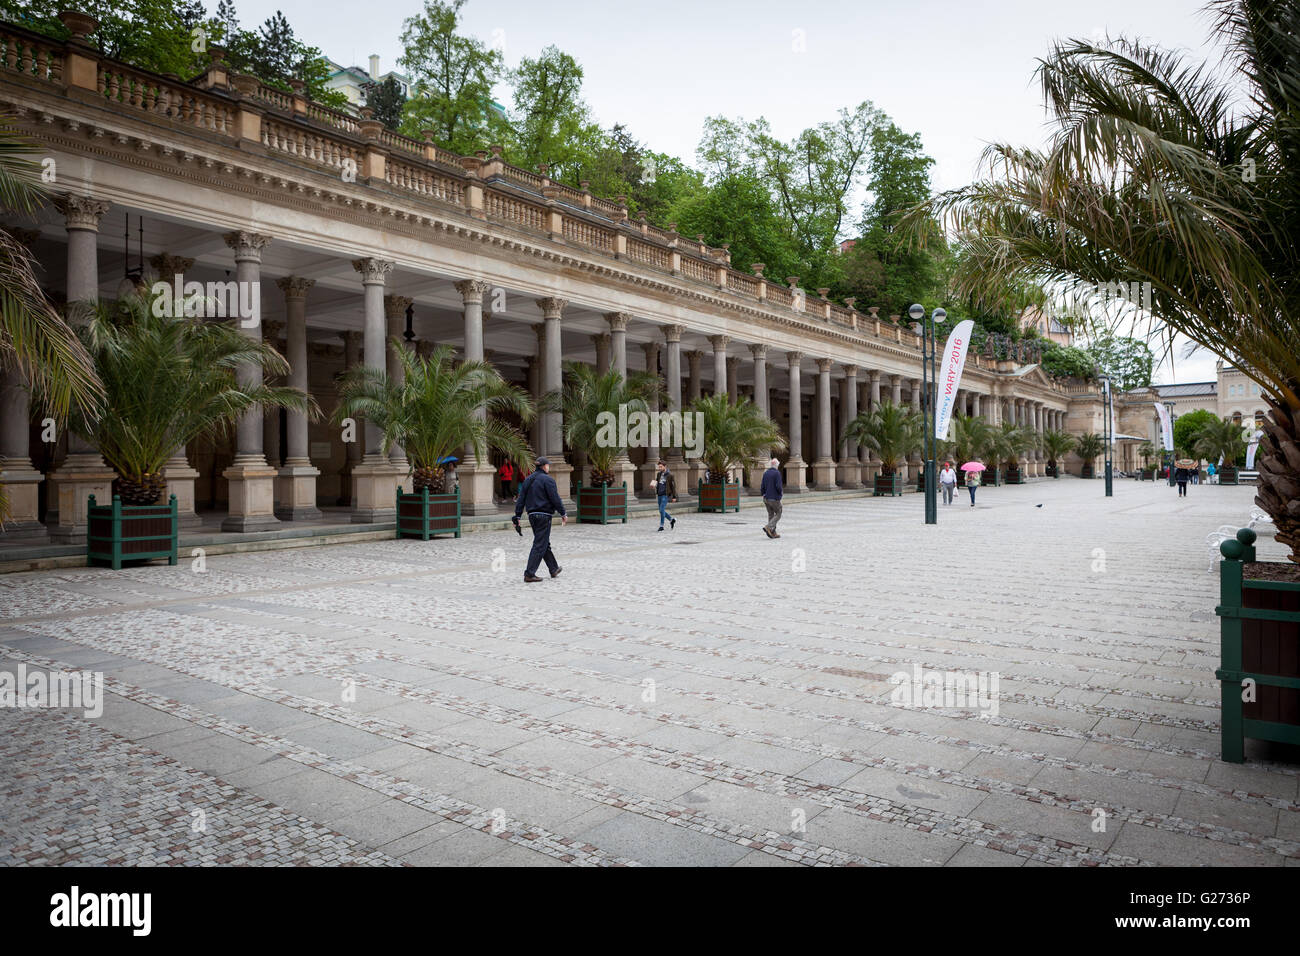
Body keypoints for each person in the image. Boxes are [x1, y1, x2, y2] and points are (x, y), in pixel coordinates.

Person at [513, 456, 567, 582]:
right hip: (544, 515)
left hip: (532, 515)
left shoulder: (528, 480)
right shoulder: (548, 480)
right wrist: (563, 513)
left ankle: (553, 568)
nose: (549, 467)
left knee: (543, 542)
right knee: (539, 544)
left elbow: (521, 499)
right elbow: (555, 498)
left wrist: (518, 515)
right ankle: (529, 573)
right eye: (548, 465)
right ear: (544, 466)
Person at [760, 457, 783, 538]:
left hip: (766, 498)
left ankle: (773, 532)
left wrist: (763, 494)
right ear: (776, 465)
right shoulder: (777, 473)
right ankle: (769, 527)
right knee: (779, 513)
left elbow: (762, 486)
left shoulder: (766, 473)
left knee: (771, 515)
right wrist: (780, 494)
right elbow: (778, 486)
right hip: (774, 498)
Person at [653, 459, 677, 532]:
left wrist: (674, 496)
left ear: (665, 466)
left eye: (661, 467)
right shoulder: (659, 474)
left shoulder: (670, 475)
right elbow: (657, 481)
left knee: (661, 509)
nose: (660, 468)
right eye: (659, 467)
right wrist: (653, 484)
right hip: (659, 494)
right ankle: (671, 520)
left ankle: (661, 526)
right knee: (661, 510)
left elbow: (673, 486)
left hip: (665, 495)